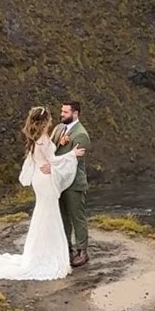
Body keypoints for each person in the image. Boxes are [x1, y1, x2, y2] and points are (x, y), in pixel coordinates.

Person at [0, 107, 86, 282]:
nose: (52, 120)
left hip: (39, 178)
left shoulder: (36, 138)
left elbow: (45, 154)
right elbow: (53, 160)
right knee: (49, 215)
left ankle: (39, 252)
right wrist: (72, 154)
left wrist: (59, 144)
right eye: (49, 119)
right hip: (45, 180)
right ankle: (48, 255)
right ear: (45, 121)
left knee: (43, 214)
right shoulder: (44, 140)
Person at [53, 98, 92, 268]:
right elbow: (51, 149)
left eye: (65, 112)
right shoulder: (59, 128)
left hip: (74, 182)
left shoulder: (81, 134)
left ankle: (82, 251)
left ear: (75, 113)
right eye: (62, 111)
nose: (61, 114)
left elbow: (74, 162)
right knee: (63, 216)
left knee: (77, 217)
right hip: (60, 181)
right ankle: (66, 247)